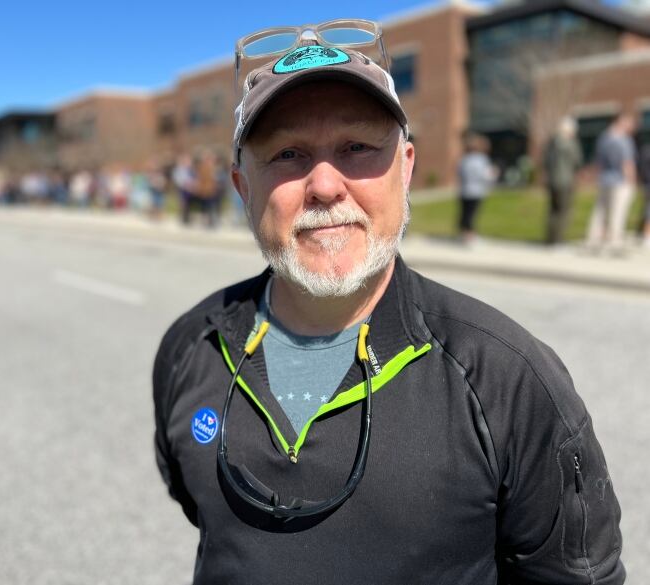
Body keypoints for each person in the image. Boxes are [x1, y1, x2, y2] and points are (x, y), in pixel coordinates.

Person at [153, 23, 624, 585]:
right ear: (241, 187)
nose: (325, 185)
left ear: (406, 168)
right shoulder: (191, 346)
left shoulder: (509, 378)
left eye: (356, 147)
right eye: (286, 154)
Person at [586, 114, 637, 254]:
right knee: (618, 212)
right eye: (630, 123)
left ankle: (593, 240)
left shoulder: (603, 139)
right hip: (620, 181)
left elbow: (598, 162)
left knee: (600, 211)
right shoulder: (625, 140)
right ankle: (614, 242)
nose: (632, 127)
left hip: (604, 179)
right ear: (622, 122)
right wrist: (631, 181)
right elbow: (627, 163)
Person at [544, 116, 583, 245]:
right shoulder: (571, 144)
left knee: (552, 210)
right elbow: (577, 161)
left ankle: (550, 238)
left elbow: (546, 162)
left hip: (552, 180)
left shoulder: (552, 143)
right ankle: (558, 240)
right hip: (565, 181)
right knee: (563, 211)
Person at [457, 132, 495, 244]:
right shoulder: (482, 159)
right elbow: (486, 175)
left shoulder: (464, 159)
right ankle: (469, 236)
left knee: (465, 213)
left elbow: (460, 173)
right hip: (476, 191)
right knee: (472, 214)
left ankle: (464, 234)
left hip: (464, 190)